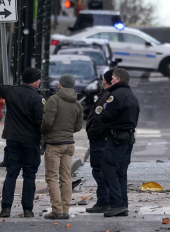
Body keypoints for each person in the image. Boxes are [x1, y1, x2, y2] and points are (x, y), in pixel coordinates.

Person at [0, 67, 45, 218]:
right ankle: (27, 209)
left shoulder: (12, 92)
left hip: (13, 140)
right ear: (34, 81)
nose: (40, 81)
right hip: (31, 142)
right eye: (39, 79)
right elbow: (41, 122)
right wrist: (44, 140)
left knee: (11, 174)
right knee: (29, 176)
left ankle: (6, 208)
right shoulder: (37, 99)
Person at [97, 69, 140, 217]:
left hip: (116, 138)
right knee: (121, 172)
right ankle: (123, 204)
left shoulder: (115, 96)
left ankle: (116, 204)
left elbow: (106, 115)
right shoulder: (132, 96)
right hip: (128, 138)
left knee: (109, 169)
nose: (111, 80)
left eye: (113, 78)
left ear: (118, 79)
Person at [41, 73, 83, 220]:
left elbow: (47, 122)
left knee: (52, 177)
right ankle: (65, 210)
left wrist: (44, 132)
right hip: (69, 144)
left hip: (54, 144)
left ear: (61, 84)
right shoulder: (77, 103)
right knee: (66, 178)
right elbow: (78, 126)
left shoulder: (54, 100)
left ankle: (56, 210)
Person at [84, 69, 114, 213]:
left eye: (103, 78)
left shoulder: (105, 97)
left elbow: (98, 119)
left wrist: (92, 133)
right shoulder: (110, 95)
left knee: (99, 172)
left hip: (100, 140)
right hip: (105, 139)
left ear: (106, 80)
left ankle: (103, 202)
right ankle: (107, 200)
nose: (101, 81)